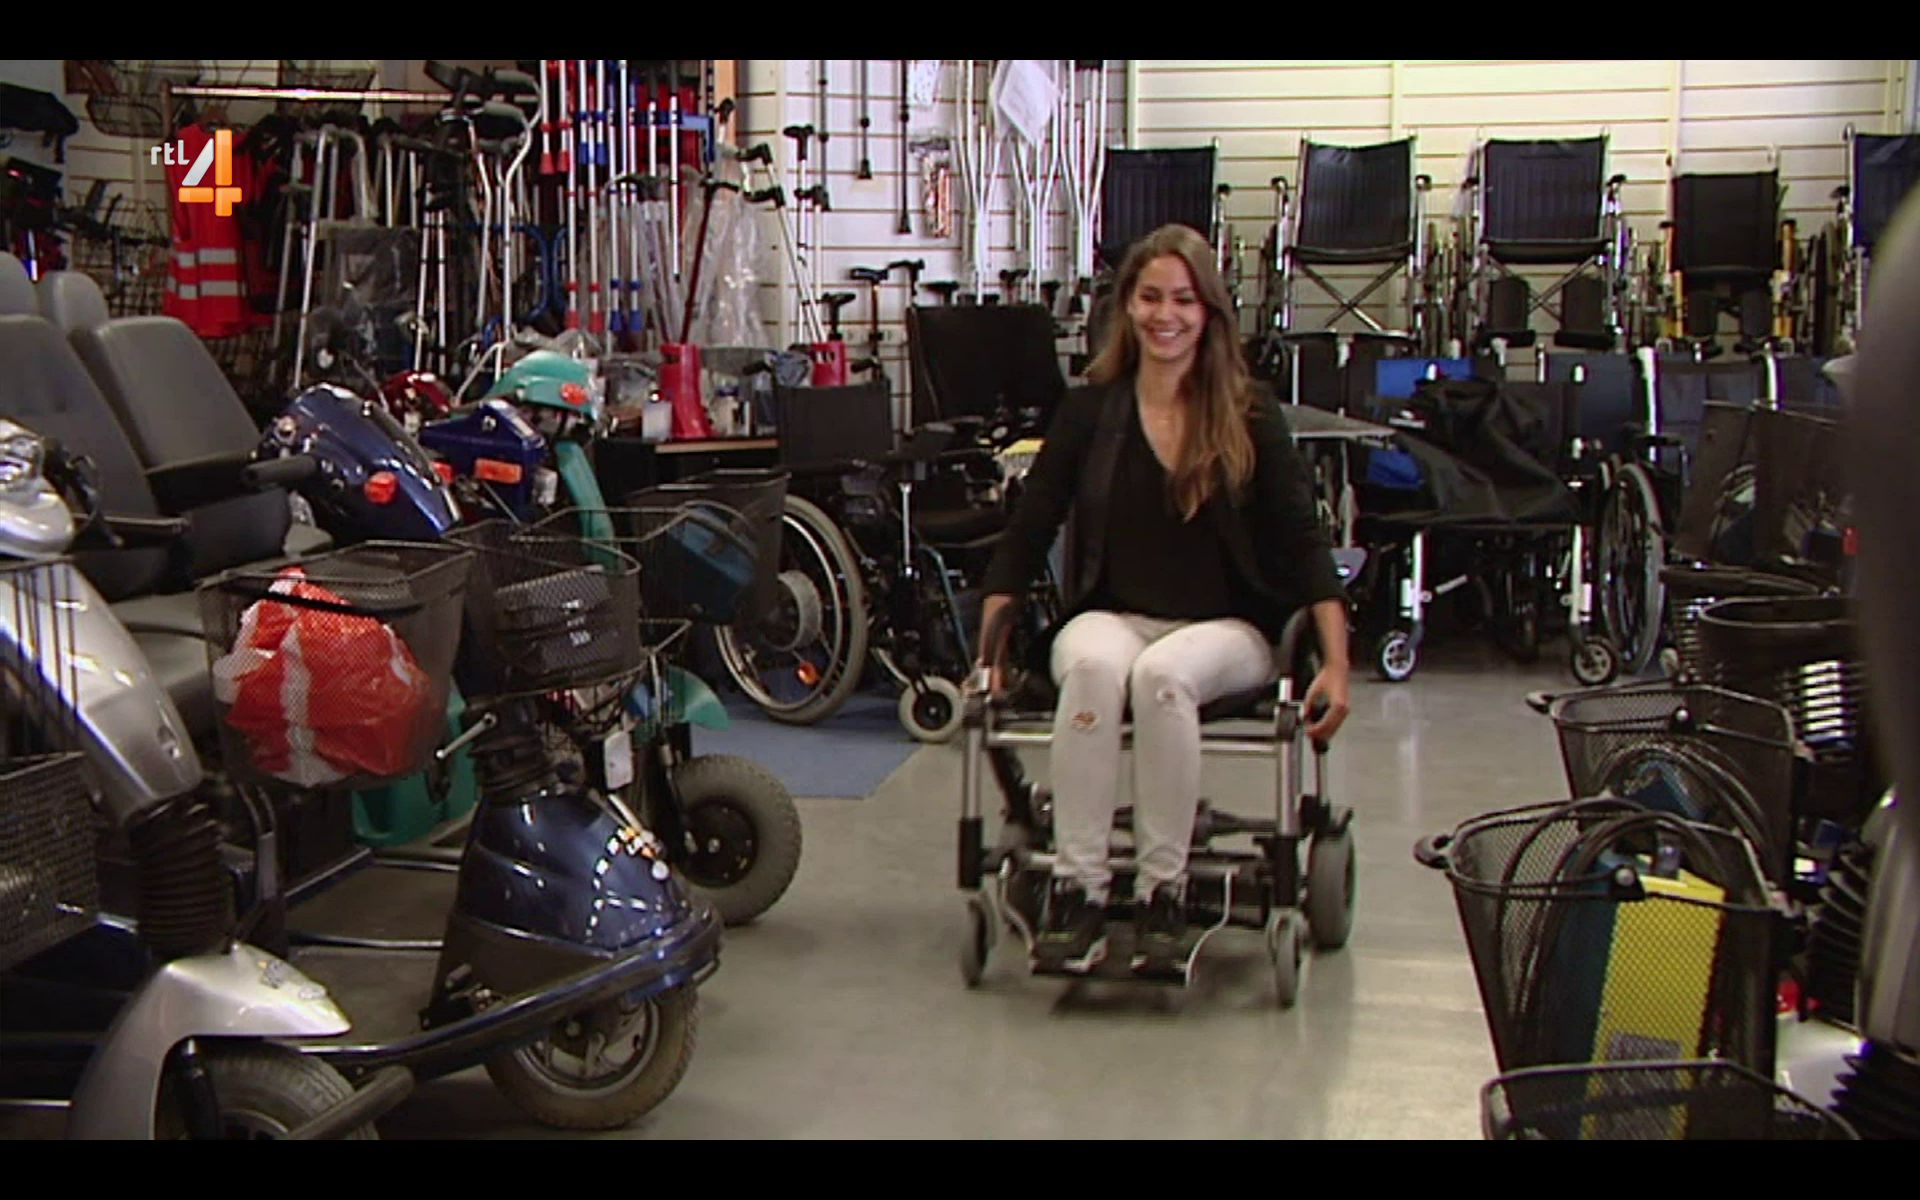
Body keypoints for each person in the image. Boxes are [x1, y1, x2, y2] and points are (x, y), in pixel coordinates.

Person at [977, 223, 1352, 975]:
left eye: (1183, 299)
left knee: (1162, 676)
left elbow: (1305, 542)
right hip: (1114, 616)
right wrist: (988, 656)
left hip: (1228, 631)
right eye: (1150, 298)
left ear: (1208, 311)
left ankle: (1162, 893)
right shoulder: (1091, 411)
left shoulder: (1248, 412)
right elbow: (1027, 532)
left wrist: (1337, 664)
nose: (1165, 315)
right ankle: (1078, 890)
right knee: (1092, 668)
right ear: (1128, 306)